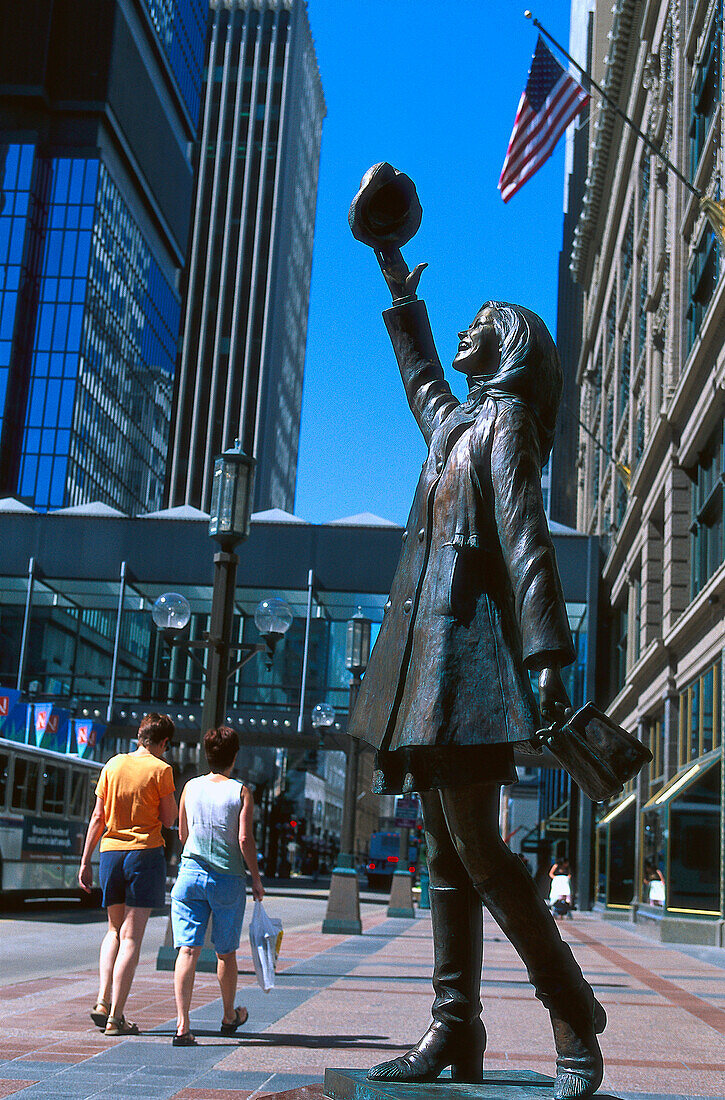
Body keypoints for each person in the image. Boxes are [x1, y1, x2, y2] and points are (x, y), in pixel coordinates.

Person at [347, 170, 606, 1100]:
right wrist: (390, 270)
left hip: (472, 673)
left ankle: (574, 1015)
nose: (464, 330)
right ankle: (454, 1030)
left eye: (480, 321)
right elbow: (419, 373)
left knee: (483, 855)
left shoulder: (502, 428)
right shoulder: (451, 424)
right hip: (428, 671)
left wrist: (545, 659)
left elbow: (527, 545)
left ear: (506, 346)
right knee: (446, 859)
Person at [79, 713, 177, 1036]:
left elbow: (97, 816)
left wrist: (85, 860)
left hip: (110, 853)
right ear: (162, 743)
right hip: (144, 854)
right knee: (132, 938)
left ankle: (102, 1000)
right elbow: (169, 820)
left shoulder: (113, 764)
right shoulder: (161, 770)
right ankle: (116, 1018)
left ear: (139, 735)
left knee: (113, 931)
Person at [170, 726, 264, 1046]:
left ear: (207, 755)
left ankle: (183, 1026)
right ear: (234, 757)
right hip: (227, 878)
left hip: (190, 874)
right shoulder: (240, 791)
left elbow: (182, 834)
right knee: (225, 952)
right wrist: (255, 877)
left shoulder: (190, 787)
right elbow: (244, 839)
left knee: (188, 949)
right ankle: (228, 1014)